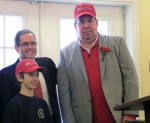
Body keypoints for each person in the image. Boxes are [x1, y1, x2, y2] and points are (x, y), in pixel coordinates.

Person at [57, 2, 139, 123]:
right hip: (82, 118)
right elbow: (64, 93)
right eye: (81, 22)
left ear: (97, 22)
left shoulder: (117, 43)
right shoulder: (65, 54)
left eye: (90, 20)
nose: (86, 25)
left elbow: (130, 78)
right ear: (75, 26)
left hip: (116, 117)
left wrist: (130, 114)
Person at [0, 29, 61, 123]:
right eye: (25, 44)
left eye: (33, 43)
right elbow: (5, 109)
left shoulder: (48, 64)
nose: (30, 47)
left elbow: (65, 81)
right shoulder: (5, 74)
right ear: (16, 48)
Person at [4, 59, 53, 123]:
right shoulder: (14, 105)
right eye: (31, 74)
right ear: (20, 78)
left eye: (37, 75)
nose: (35, 78)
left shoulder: (42, 103)